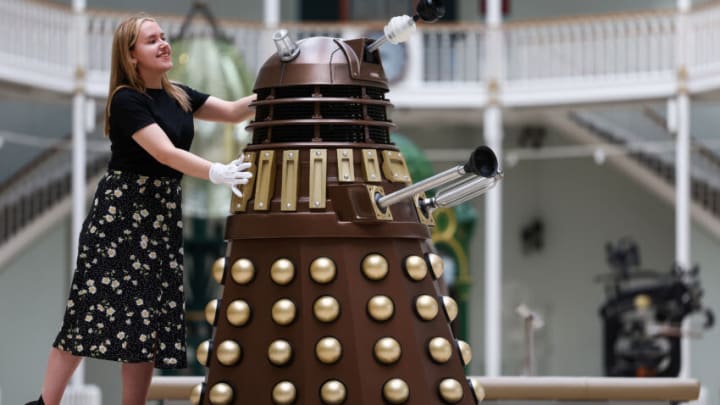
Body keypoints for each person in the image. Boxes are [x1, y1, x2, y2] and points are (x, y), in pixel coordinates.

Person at [26, 13, 255, 405]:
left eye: (163, 37)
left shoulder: (179, 94)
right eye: (152, 41)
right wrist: (215, 171)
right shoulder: (126, 100)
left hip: (160, 219)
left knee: (148, 328)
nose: (164, 43)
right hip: (121, 218)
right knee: (87, 318)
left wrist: (280, 91)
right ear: (132, 57)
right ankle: (47, 404)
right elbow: (164, 153)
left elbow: (234, 111)